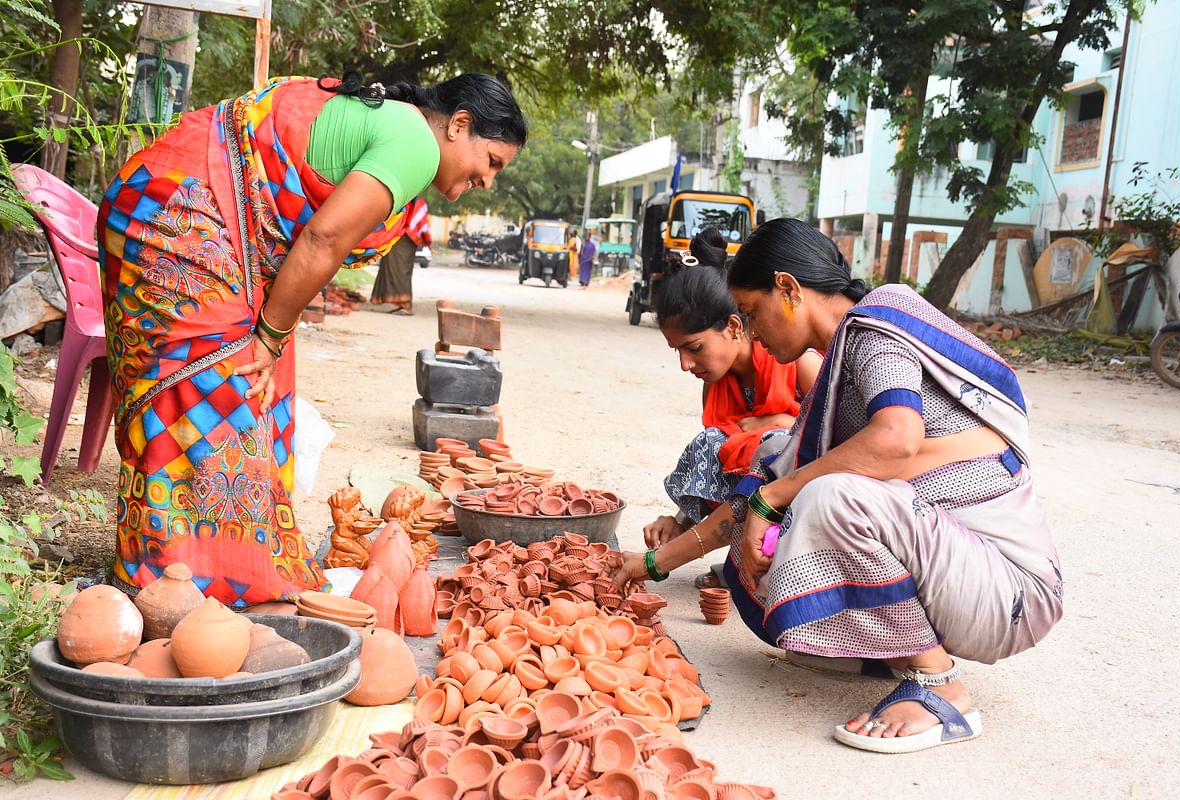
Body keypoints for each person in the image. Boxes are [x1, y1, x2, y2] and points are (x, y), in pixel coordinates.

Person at [613, 218, 1063, 753]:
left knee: (826, 494)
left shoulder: (873, 330)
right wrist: (653, 564)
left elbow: (895, 438)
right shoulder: (840, 363)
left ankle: (942, 688)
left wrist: (776, 497)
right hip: (960, 574)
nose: (751, 333)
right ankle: (882, 649)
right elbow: (758, 489)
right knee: (770, 472)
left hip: (1007, 592)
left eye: (753, 314)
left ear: (788, 290)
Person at [98, 71, 526, 606]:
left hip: (165, 196)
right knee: (223, 379)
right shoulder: (416, 141)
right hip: (176, 212)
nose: (487, 181)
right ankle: (184, 575)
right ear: (459, 125)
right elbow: (323, 238)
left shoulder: (398, 126)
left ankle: (186, 569)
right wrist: (270, 336)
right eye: (491, 162)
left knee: (223, 383)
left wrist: (275, 335)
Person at [643, 230, 820, 575]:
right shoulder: (718, 383)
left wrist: (785, 424)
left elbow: (838, 442)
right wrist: (681, 522)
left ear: (735, 327)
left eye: (694, 348)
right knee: (712, 444)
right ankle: (743, 557)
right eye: (677, 351)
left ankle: (781, 563)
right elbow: (719, 464)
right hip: (763, 493)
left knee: (773, 446)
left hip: (821, 496)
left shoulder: (798, 360)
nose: (685, 364)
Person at [371, 196, 432, 314]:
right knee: (391, 268)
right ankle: (394, 301)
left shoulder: (412, 200)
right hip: (398, 237)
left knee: (400, 270)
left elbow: (420, 222)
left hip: (404, 238)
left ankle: (405, 303)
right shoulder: (407, 197)